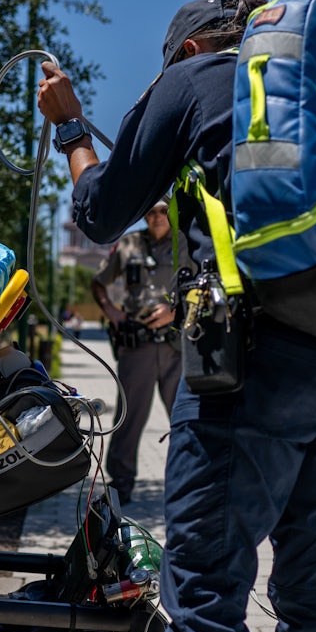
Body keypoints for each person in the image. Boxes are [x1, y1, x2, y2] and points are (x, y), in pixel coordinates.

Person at [37, 0, 316, 632]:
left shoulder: (194, 77)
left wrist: (70, 126)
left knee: (205, 593)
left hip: (255, 362)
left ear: (188, 48)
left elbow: (98, 212)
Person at [91, 202, 188, 505]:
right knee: (129, 418)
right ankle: (121, 486)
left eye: (162, 211)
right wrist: (112, 313)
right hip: (138, 346)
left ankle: (188, 484)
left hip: (177, 347)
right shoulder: (129, 244)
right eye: (150, 212)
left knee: (185, 417)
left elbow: (200, 285)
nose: (156, 217)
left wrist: (175, 310)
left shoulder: (186, 243)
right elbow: (99, 283)